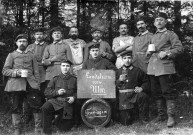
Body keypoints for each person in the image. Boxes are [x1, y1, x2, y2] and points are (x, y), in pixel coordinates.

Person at [147, 12, 183, 127]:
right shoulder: (152, 36)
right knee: (156, 93)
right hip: (152, 68)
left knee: (168, 92)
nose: (159, 22)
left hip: (165, 67)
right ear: (154, 23)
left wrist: (167, 53)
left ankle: (171, 117)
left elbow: (179, 48)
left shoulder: (170, 34)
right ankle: (161, 116)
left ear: (166, 22)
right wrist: (148, 52)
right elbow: (150, 51)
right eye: (156, 20)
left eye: (161, 19)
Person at [2, 34, 43, 135]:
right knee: (16, 106)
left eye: (24, 41)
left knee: (36, 105)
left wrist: (37, 84)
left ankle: (38, 129)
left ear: (27, 43)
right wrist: (16, 72)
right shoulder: (11, 55)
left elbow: (36, 71)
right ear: (16, 43)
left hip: (31, 84)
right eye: (20, 41)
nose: (22, 43)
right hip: (16, 84)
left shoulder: (31, 55)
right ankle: (17, 129)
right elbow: (5, 71)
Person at [41, 59, 77, 135]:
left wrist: (74, 97)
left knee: (64, 128)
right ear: (60, 67)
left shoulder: (74, 79)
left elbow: (80, 91)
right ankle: (47, 131)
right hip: (56, 102)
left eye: (67, 66)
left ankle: (57, 121)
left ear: (70, 67)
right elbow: (46, 92)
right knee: (45, 107)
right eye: (63, 66)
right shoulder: (55, 79)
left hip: (68, 104)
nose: (65, 68)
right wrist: (57, 92)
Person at [116, 51, 150, 125]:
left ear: (132, 59)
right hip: (123, 98)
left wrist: (142, 88)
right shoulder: (118, 71)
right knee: (125, 123)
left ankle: (144, 118)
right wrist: (119, 80)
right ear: (122, 59)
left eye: (129, 58)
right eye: (125, 58)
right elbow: (113, 85)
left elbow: (146, 81)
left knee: (143, 96)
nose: (127, 60)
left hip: (134, 95)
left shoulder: (137, 70)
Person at [24, 27, 48, 124]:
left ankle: (44, 120)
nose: (39, 36)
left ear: (44, 36)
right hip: (32, 75)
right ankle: (28, 118)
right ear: (34, 36)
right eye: (37, 34)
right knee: (31, 97)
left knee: (43, 96)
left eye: (41, 34)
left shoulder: (48, 46)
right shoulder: (29, 47)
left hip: (44, 74)